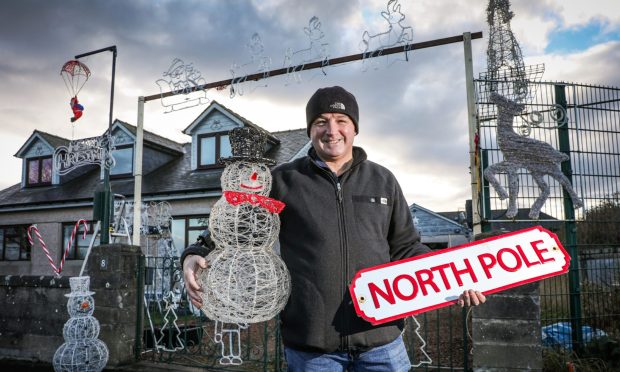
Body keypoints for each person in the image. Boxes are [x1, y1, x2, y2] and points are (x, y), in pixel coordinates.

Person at [182, 86, 485, 371]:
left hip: (381, 339)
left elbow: (405, 246)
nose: (332, 130)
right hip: (312, 347)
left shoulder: (382, 180)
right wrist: (197, 251)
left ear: (354, 128)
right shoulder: (283, 180)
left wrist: (454, 276)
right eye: (321, 121)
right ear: (310, 129)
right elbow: (240, 226)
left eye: (341, 120)